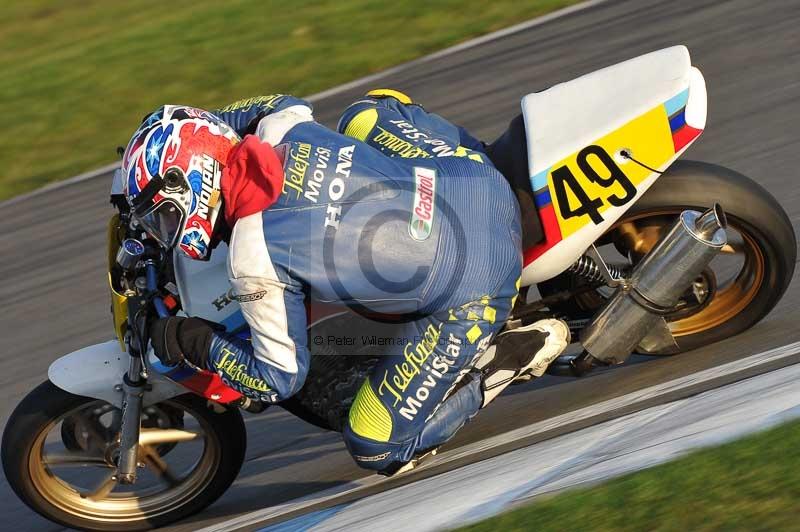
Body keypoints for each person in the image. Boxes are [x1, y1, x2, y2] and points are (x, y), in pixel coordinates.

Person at [123, 91, 569, 474]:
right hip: (471, 175)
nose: (165, 231)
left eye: (163, 217)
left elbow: (277, 379)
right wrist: (213, 128)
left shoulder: (252, 257)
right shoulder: (279, 128)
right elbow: (274, 102)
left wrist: (187, 338)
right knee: (368, 113)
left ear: (197, 187)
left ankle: (500, 361)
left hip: (477, 285)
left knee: (375, 445)